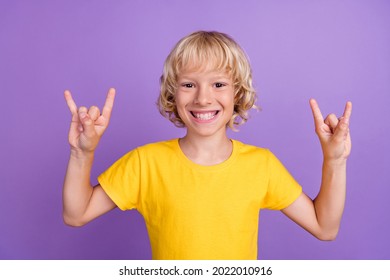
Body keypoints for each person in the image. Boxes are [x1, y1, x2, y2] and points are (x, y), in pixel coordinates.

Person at [63, 31, 352, 260]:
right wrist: (82, 152)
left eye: (218, 84)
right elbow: (76, 214)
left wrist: (335, 160)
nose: (203, 98)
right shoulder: (145, 163)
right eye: (189, 84)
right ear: (172, 93)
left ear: (237, 92)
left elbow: (324, 228)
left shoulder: (261, 165)